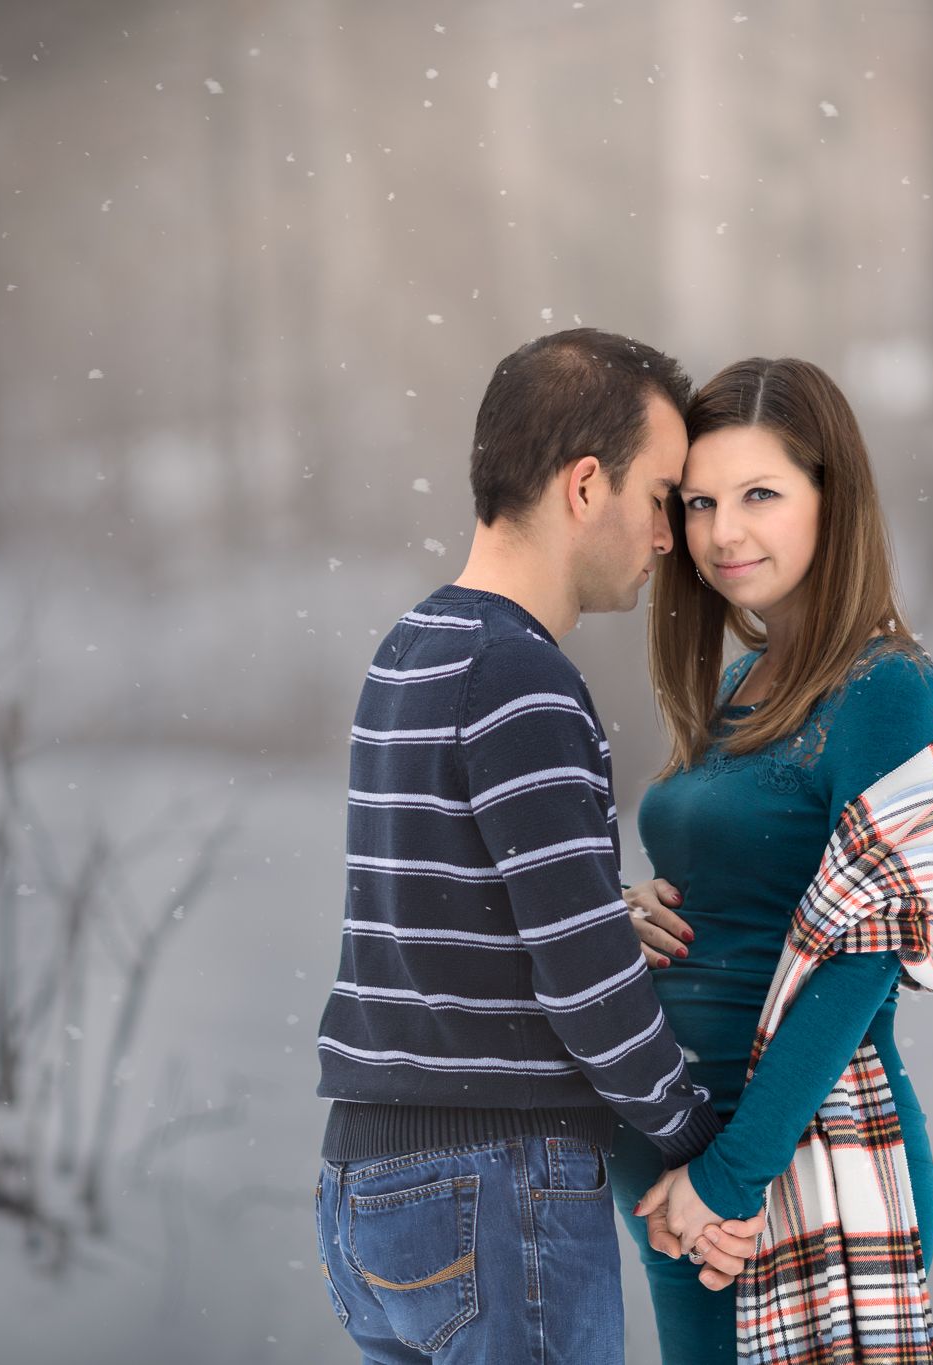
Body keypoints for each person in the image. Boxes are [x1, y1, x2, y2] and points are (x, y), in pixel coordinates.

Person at [311, 329, 761, 1364]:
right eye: (659, 499)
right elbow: (586, 991)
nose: (667, 539)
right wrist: (703, 1146)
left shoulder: (409, 652)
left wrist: (598, 909)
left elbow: (449, 917)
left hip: (367, 1196)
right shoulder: (523, 682)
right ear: (585, 485)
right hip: (494, 1188)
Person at [609, 357, 933, 1362]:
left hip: (782, 1170)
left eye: (759, 495)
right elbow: (740, 886)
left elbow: (861, 955)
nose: (722, 533)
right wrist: (627, 911)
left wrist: (730, 1178)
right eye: (698, 503)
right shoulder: (741, 684)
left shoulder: (886, 691)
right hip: (682, 1170)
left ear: (832, 497)